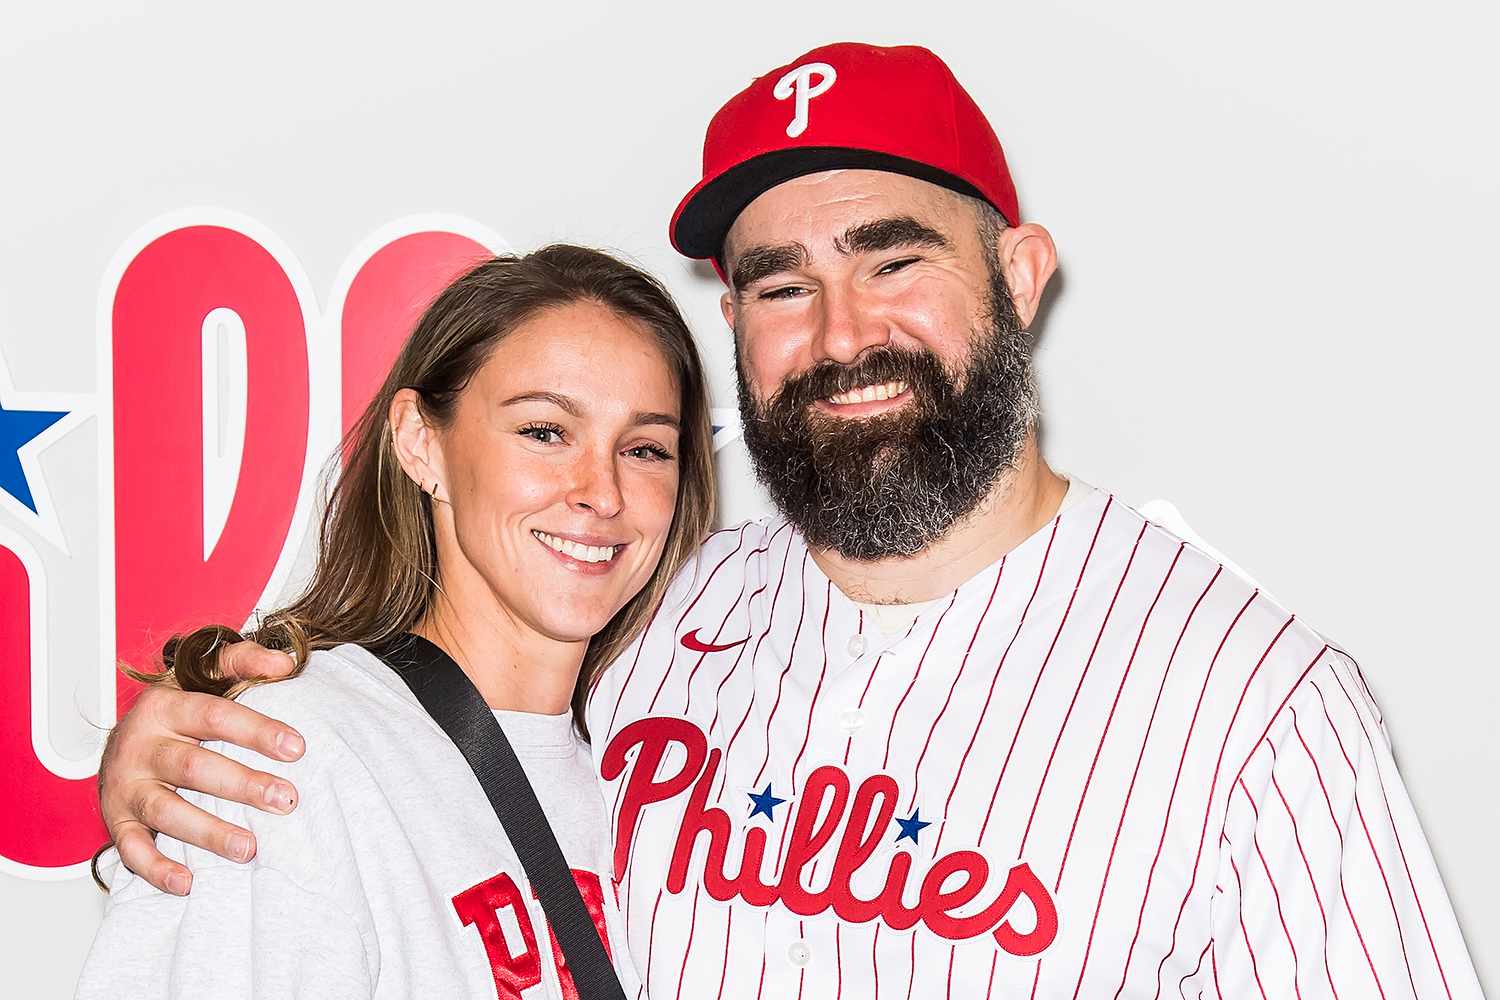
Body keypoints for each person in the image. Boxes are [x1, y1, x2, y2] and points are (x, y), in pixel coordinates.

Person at [93, 43, 1483, 998]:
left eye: (894, 258)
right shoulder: (654, 617)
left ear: (1021, 271)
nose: (842, 333)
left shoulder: (1258, 710)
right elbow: (407, 752)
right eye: (779, 286)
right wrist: (179, 741)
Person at [77, 245, 716, 998]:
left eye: (644, 449)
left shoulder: (669, 771)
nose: (601, 492)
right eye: (545, 432)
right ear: (420, 442)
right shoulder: (287, 752)